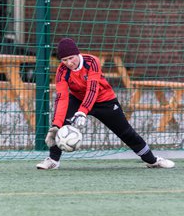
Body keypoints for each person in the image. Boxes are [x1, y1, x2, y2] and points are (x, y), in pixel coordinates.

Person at [36, 38, 175, 170]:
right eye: (64, 60)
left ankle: (152, 160)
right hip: (77, 99)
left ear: (77, 54)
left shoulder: (92, 61)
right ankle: (53, 160)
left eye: (71, 58)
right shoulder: (62, 70)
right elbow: (61, 98)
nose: (69, 63)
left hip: (104, 100)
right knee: (60, 128)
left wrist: (82, 111)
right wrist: (56, 125)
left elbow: (93, 89)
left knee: (126, 132)